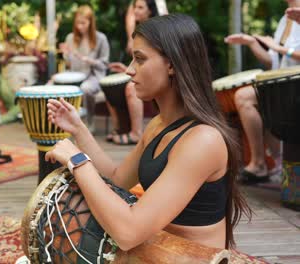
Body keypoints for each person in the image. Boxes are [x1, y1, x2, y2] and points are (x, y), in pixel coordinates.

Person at [46, 14, 251, 250]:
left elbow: (128, 233)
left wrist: (77, 161)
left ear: (172, 64)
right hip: (158, 249)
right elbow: (117, 179)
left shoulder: (203, 140)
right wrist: (78, 130)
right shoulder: (158, 124)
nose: (130, 71)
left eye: (140, 59)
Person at [224, 0, 300, 183]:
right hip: (283, 83)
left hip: (296, 84)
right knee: (244, 96)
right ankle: (262, 163)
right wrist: (251, 43)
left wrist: (278, 48)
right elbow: (272, 61)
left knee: (246, 97)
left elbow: (283, 51)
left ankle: (267, 162)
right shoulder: (285, 19)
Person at [106, 0, 159, 145]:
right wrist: (125, 69)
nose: (135, 10)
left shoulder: (156, 30)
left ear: (150, 10)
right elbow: (141, 61)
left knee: (130, 87)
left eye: (140, 7)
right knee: (109, 86)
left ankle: (136, 133)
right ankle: (121, 128)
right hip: (144, 71)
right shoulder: (140, 30)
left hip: (157, 74)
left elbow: (154, 62)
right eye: (135, 7)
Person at [60, 5, 110, 133]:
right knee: (55, 85)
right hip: (76, 75)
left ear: (91, 22)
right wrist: (65, 54)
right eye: (77, 23)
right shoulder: (70, 38)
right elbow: (69, 64)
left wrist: (88, 60)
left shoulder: (101, 38)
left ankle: (89, 123)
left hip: (94, 75)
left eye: (83, 23)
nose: (80, 26)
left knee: (86, 88)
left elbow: (104, 64)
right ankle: (65, 124)